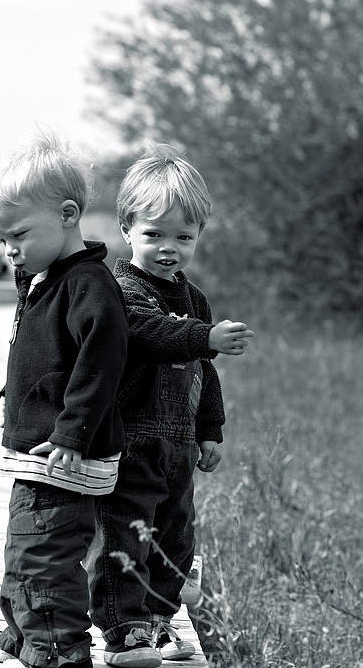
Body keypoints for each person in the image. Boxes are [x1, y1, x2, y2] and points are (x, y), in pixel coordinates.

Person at [86, 144, 254, 668]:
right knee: (125, 534)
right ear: (127, 227)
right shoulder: (120, 291)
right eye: (154, 234)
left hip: (178, 440)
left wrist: (210, 431)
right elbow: (147, 335)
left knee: (176, 536)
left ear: (199, 236)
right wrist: (205, 337)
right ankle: (123, 633)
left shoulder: (194, 298)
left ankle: (157, 623)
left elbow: (204, 373)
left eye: (184, 237)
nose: (168, 249)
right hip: (130, 438)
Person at [0, 127, 129, 668]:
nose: (9, 249)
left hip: (65, 452)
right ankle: (25, 631)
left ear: (68, 215)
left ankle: (60, 648)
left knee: (46, 555)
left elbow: (102, 364)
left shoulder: (88, 285)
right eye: (1, 239)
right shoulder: (46, 278)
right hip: (39, 450)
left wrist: (71, 433)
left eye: (17, 233)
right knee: (24, 545)